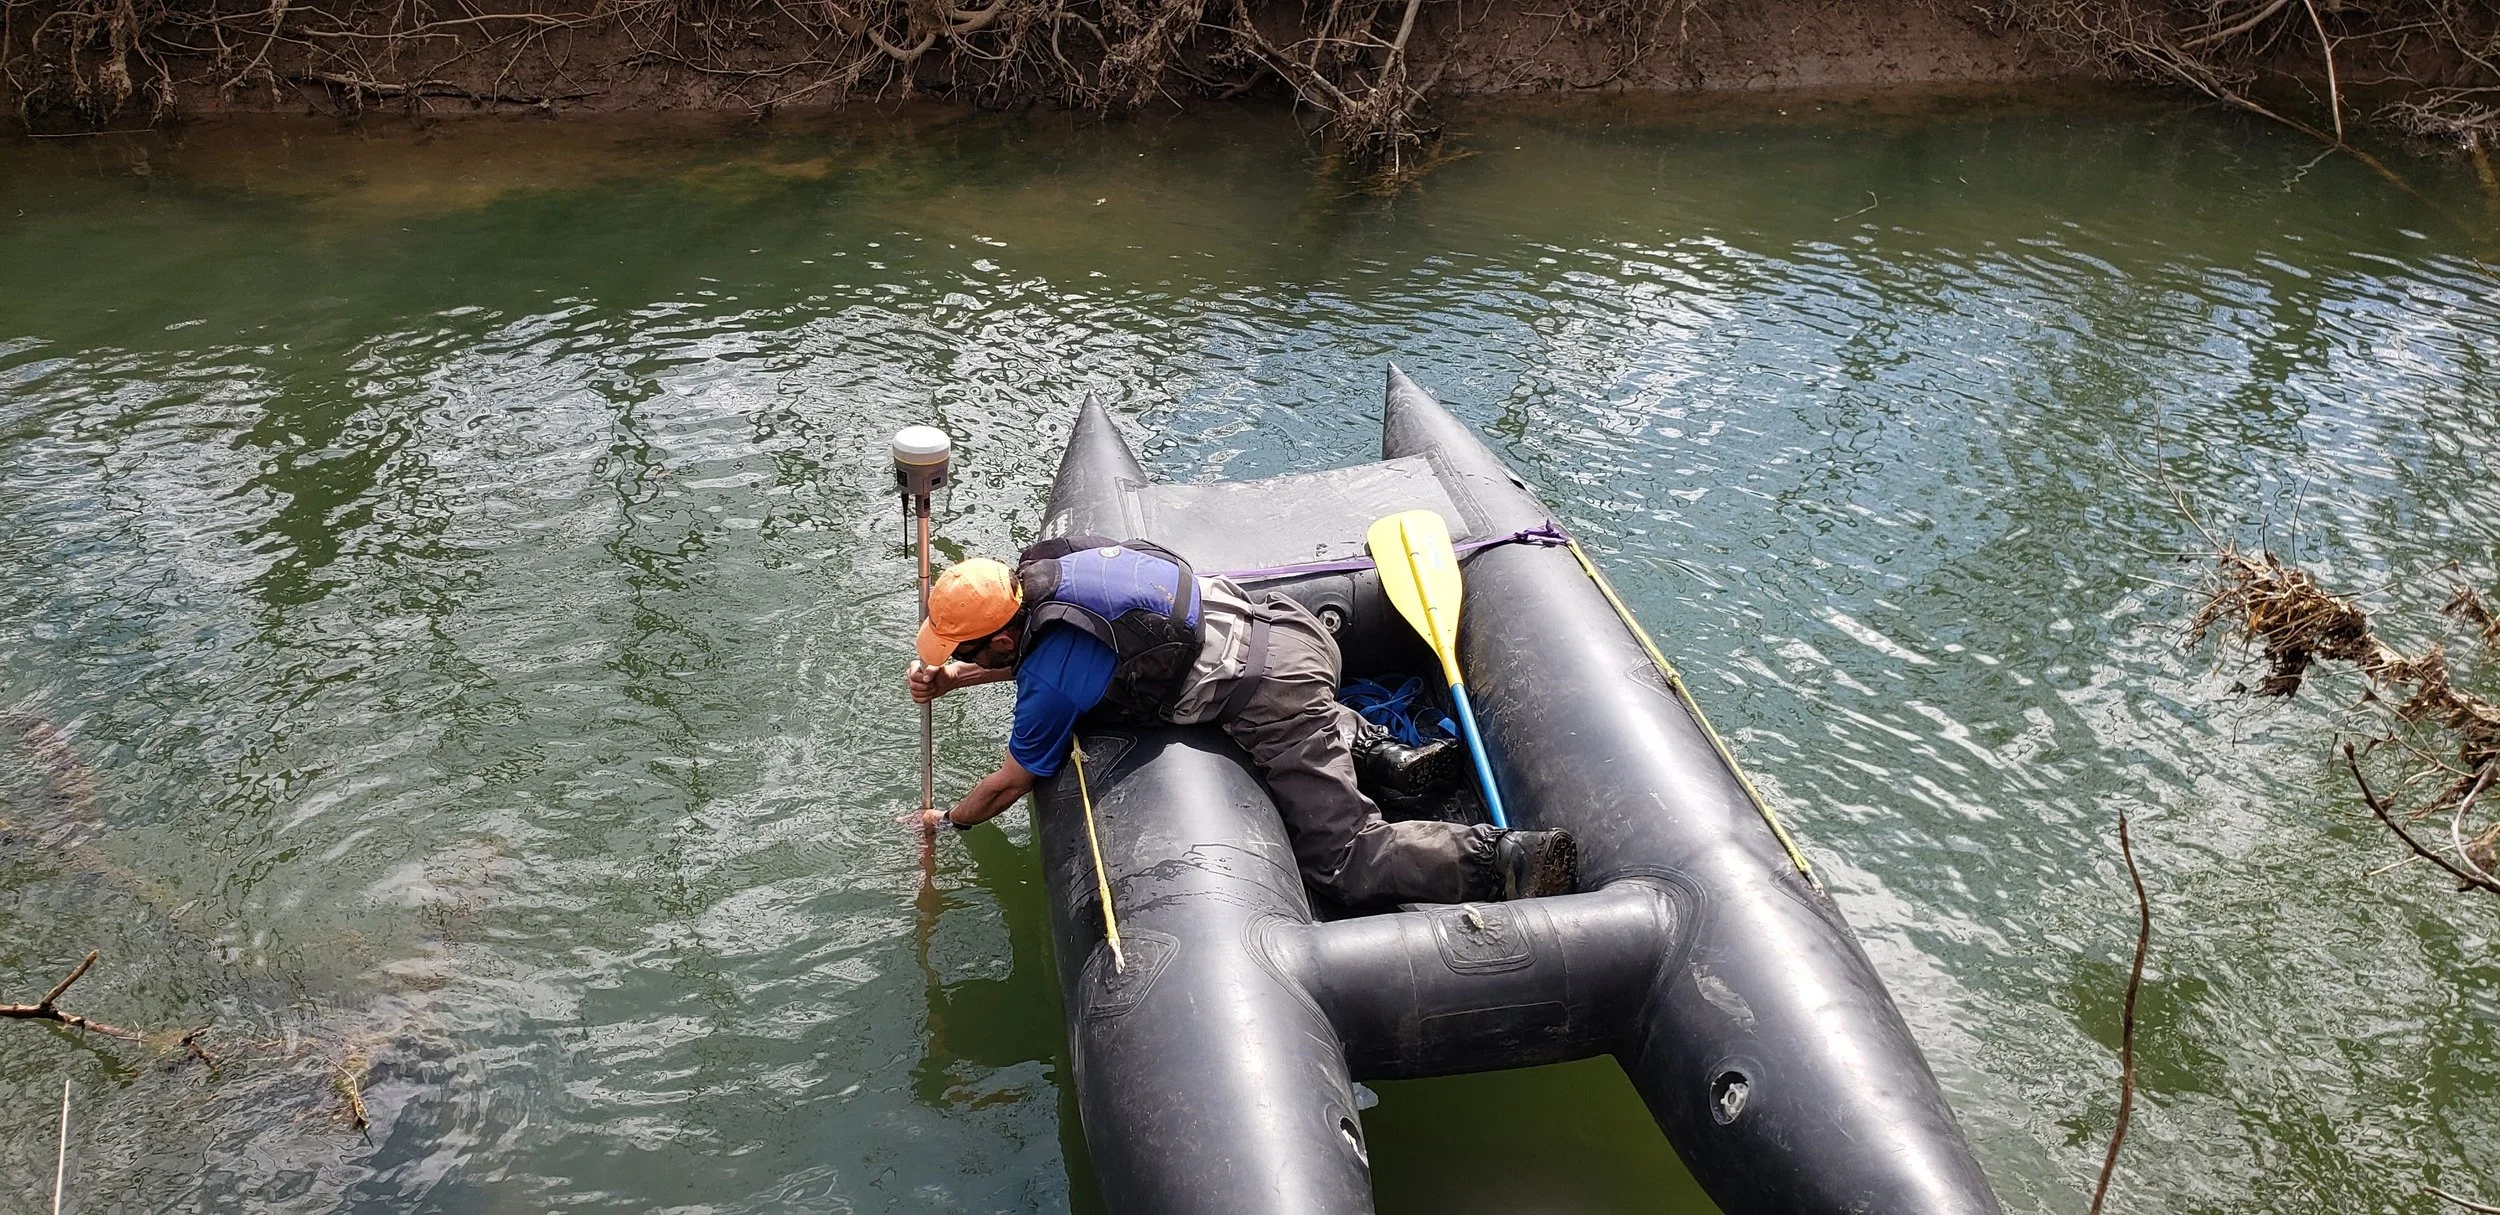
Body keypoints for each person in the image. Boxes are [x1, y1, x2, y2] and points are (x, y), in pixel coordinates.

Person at [907, 535, 1578, 907]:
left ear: (998, 637)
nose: (961, 658)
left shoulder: (1048, 673)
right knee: (1279, 721)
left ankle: (1506, 858)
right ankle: (1386, 757)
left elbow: (1009, 781)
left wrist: (946, 821)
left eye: (964, 649)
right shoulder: (1054, 570)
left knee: (1343, 860)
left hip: (1273, 690)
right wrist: (956, 676)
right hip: (1285, 623)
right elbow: (1069, 659)